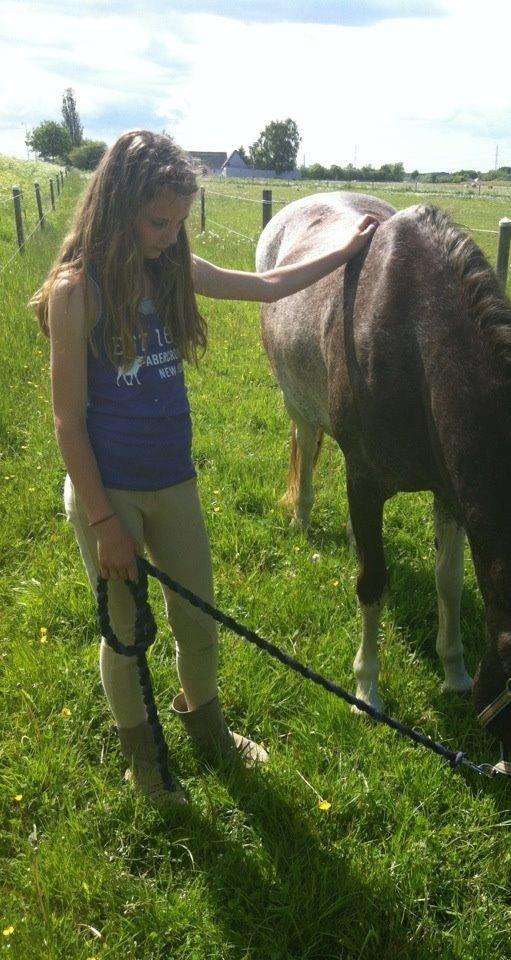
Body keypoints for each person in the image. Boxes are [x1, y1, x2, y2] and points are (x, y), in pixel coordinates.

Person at [32, 130, 377, 804]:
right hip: (110, 493)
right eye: (158, 220)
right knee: (127, 632)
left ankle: (207, 725)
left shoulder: (172, 269)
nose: (168, 234)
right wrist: (104, 521)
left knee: (198, 620)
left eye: (178, 221)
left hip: (173, 482)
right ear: (116, 206)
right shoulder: (76, 292)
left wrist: (342, 251)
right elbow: (67, 422)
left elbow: (268, 283)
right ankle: (145, 758)